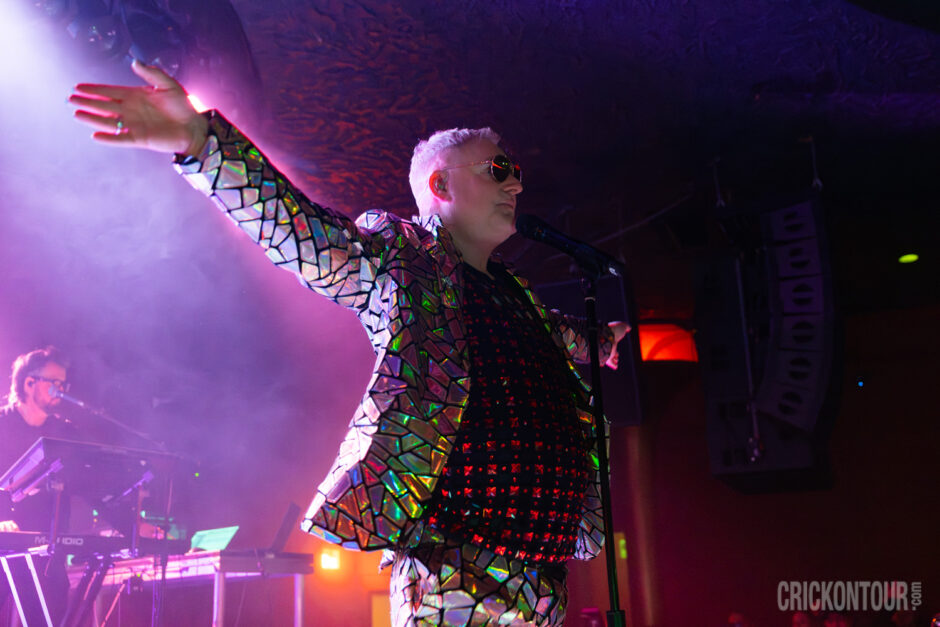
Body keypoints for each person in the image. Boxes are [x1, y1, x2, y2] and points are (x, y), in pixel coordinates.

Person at [69, 60, 629, 626]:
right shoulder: (405, 258)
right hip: (457, 568)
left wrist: (599, 339)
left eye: (514, 172)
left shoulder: (515, 294)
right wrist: (204, 145)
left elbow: (561, 336)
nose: (516, 183)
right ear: (441, 184)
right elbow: (306, 237)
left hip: (544, 575)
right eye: (498, 169)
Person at [0, 347, 77, 627]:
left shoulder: (65, 433)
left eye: (63, 384)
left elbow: (89, 482)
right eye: (53, 382)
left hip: (48, 550)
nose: (60, 390)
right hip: (3, 543)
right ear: (28, 383)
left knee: (51, 615)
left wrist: (130, 522)